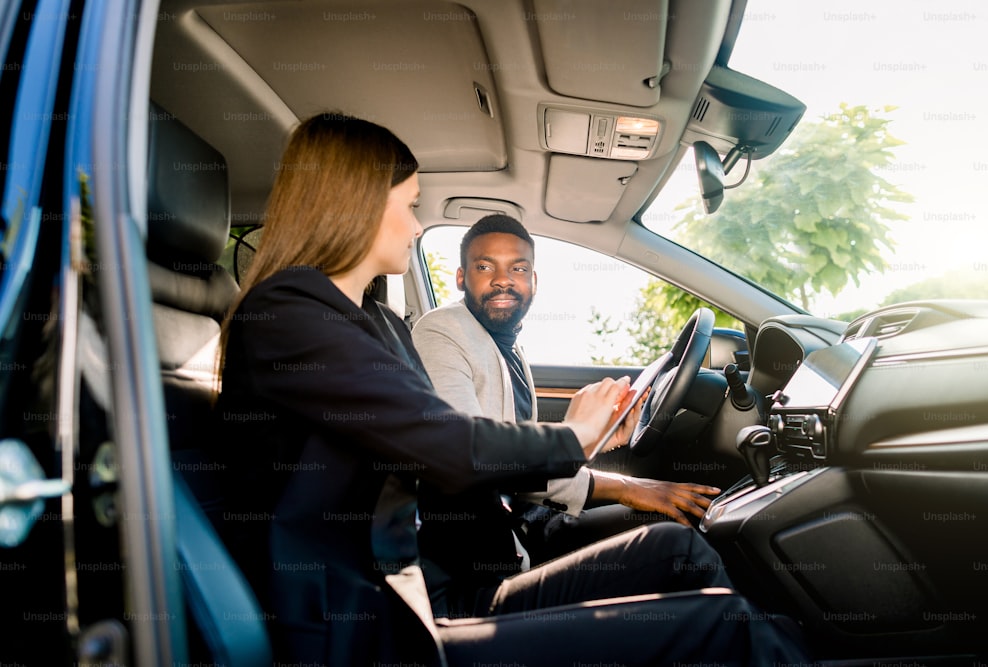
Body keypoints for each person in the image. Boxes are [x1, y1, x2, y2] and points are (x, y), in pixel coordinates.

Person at [214, 112, 811, 666]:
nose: (418, 224)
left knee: (675, 556)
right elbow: (451, 448)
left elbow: (440, 441)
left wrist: (592, 439)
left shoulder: (376, 323)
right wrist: (575, 436)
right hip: (374, 628)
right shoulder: (289, 315)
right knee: (726, 624)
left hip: (426, 588)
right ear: (359, 203)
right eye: (410, 205)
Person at [412, 214, 720, 565]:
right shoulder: (441, 331)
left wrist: (602, 442)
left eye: (518, 269)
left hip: (527, 516)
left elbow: (521, 467)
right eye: (485, 267)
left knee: (675, 520)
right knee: (680, 548)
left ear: (533, 280)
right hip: (489, 550)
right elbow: (472, 455)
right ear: (461, 278)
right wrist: (616, 477)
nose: (503, 281)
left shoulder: (507, 345)